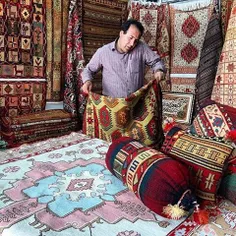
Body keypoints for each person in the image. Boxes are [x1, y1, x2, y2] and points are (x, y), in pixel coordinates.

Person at [81, 19, 166, 98]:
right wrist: (87, 81)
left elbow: (156, 62)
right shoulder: (103, 52)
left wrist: (159, 70)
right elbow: (88, 70)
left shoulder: (141, 48)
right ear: (121, 33)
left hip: (136, 102)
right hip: (112, 104)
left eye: (136, 40)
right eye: (130, 38)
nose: (132, 44)